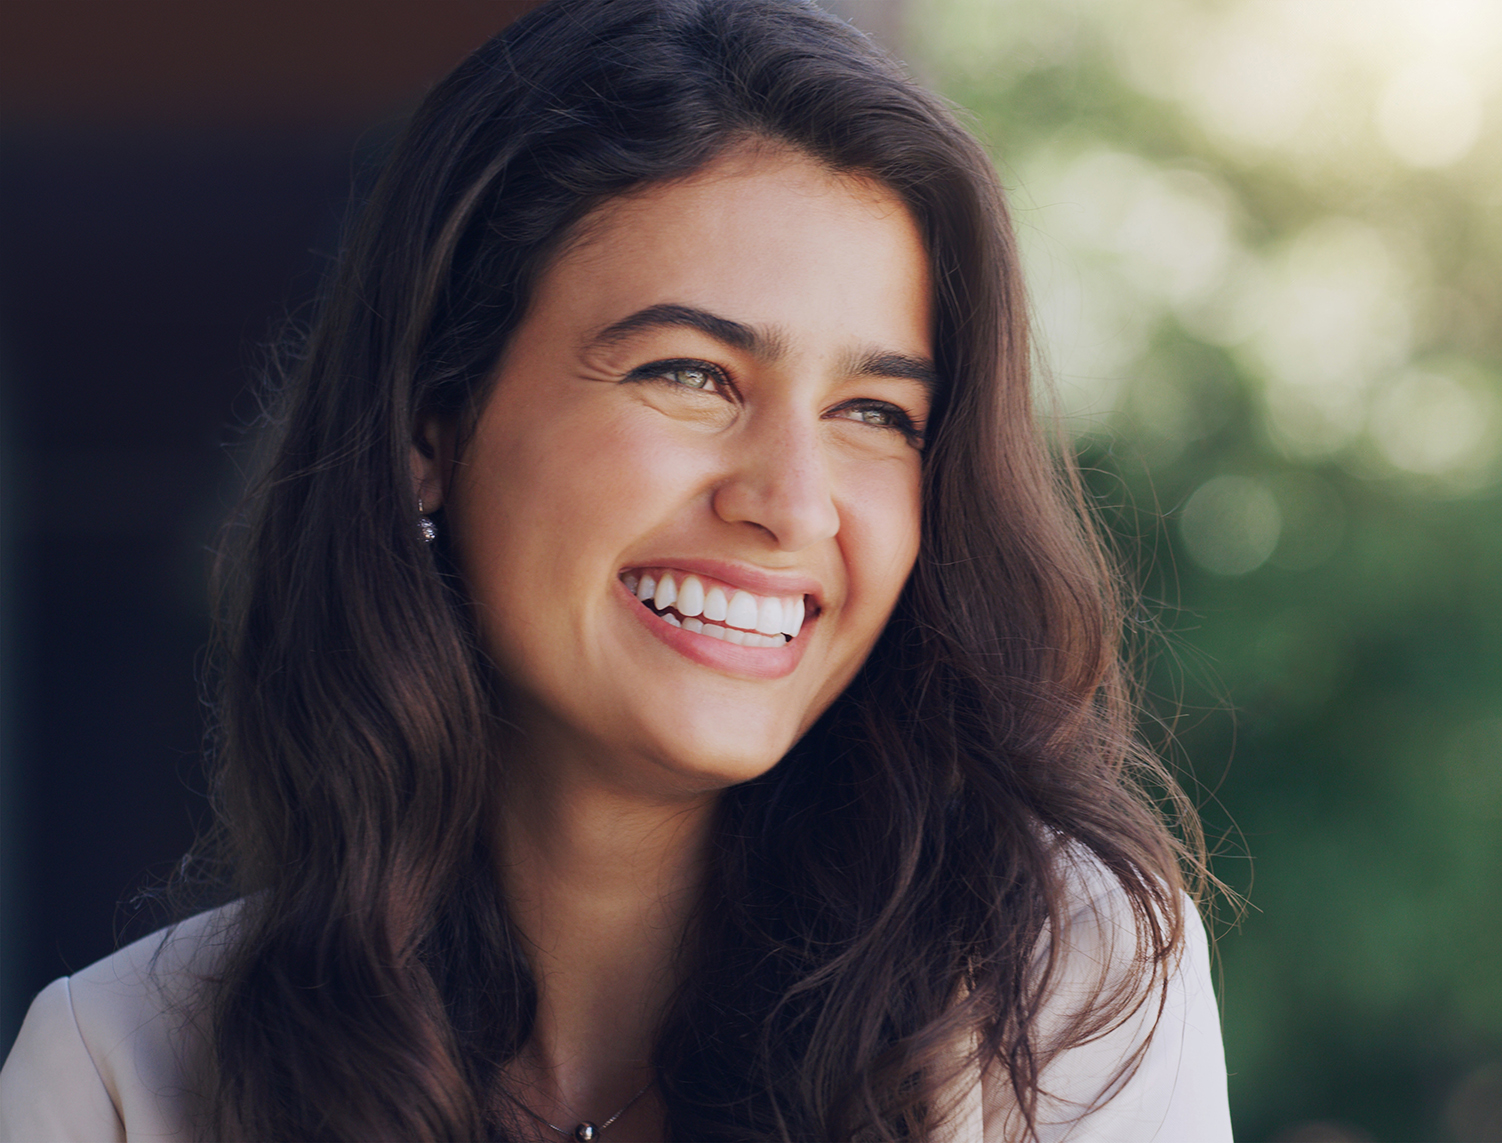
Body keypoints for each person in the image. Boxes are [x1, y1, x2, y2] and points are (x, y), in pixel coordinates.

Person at [0, 0, 1232, 1139]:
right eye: (688, 374)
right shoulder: (121, 1072)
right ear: (432, 427)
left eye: (874, 413)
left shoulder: (1058, 985)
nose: (791, 504)